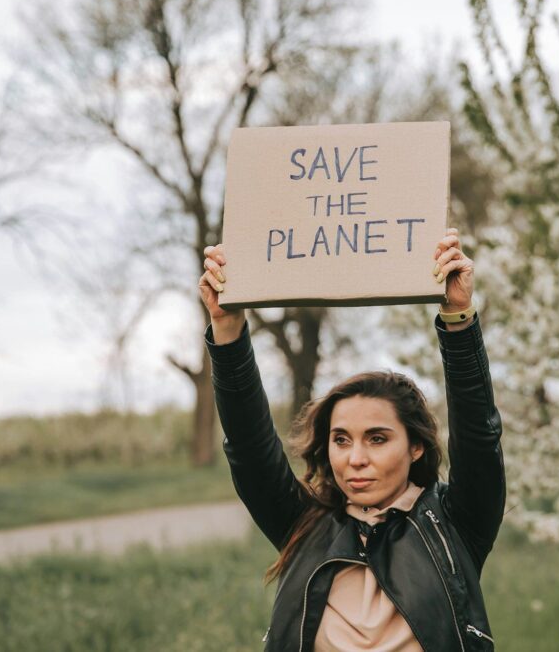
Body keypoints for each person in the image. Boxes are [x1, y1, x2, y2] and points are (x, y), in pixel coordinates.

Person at [200, 228, 505, 651]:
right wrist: (228, 330)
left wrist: (458, 318)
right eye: (341, 440)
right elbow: (250, 447)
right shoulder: (303, 525)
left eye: (377, 439)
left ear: (415, 446)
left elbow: (479, 434)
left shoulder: (456, 524)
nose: (355, 458)